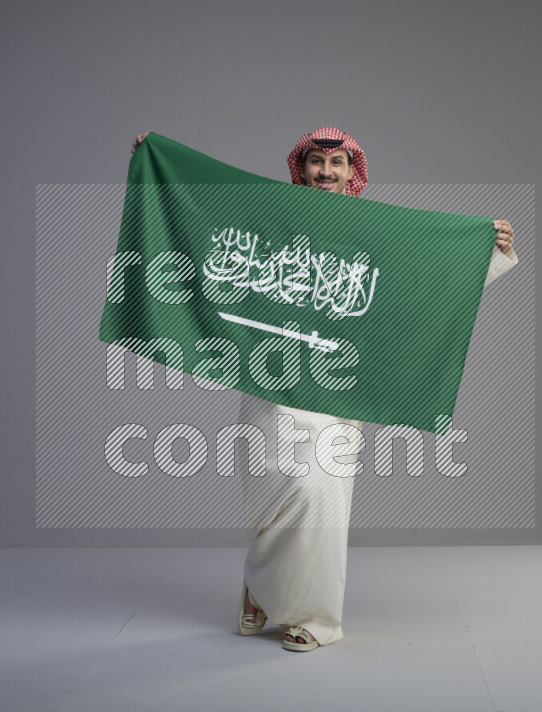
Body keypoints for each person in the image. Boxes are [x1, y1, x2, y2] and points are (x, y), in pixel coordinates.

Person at [131, 127, 518, 651]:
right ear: (303, 167)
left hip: (337, 390)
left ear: (351, 172)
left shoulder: (375, 232)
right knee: (268, 494)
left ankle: (315, 620)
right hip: (268, 379)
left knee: (318, 495)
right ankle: (261, 587)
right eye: (317, 162)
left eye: (337, 163)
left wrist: (482, 254)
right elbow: (203, 228)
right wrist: (154, 165)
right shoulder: (272, 220)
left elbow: (423, 288)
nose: (326, 172)